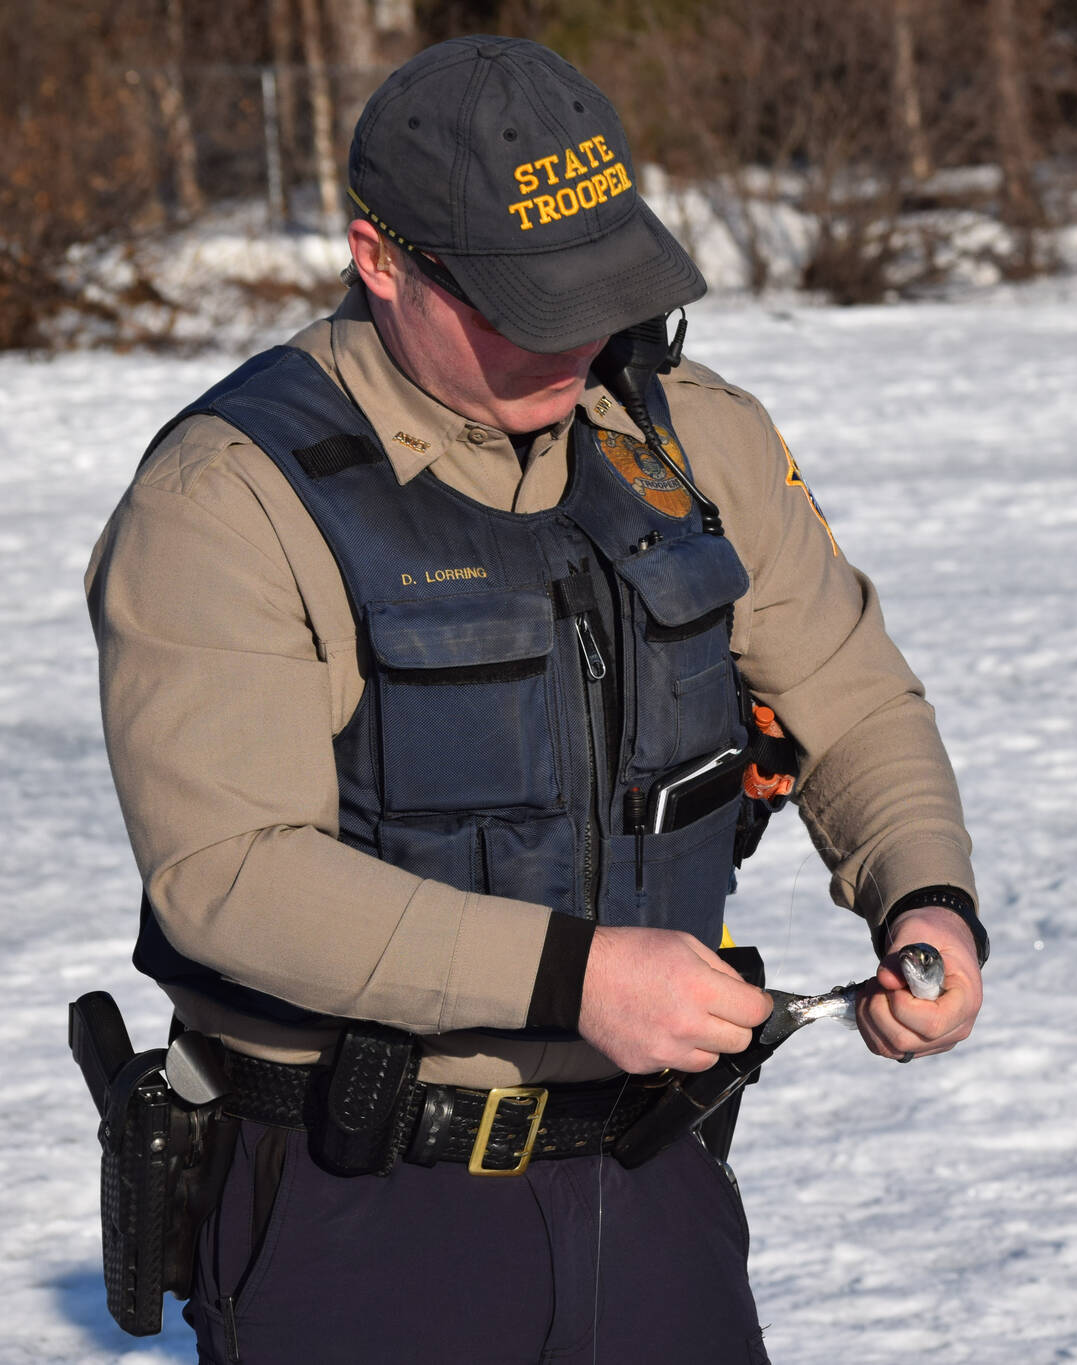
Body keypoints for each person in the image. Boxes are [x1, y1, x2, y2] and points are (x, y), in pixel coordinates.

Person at [84, 34, 984, 1362]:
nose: (575, 335)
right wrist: (571, 976)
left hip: (652, 1176)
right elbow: (231, 879)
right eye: (522, 301)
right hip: (361, 1210)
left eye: (602, 286)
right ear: (379, 259)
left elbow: (851, 697)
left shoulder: (690, 434)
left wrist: (924, 893)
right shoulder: (227, 500)